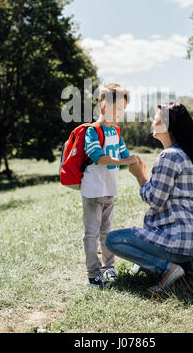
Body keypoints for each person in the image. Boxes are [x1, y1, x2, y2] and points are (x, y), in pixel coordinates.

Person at [105, 101, 193, 292]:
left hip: (178, 240)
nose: (152, 122)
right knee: (140, 241)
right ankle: (192, 264)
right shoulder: (184, 155)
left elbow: (156, 200)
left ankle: (169, 269)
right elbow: (164, 193)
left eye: (156, 119)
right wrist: (146, 176)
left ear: (167, 125)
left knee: (113, 240)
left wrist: (139, 175)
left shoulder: (169, 156)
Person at [81, 83, 140, 288]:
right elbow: (97, 156)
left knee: (107, 232)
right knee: (91, 233)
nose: (122, 114)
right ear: (104, 106)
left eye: (124, 110)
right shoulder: (93, 130)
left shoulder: (116, 131)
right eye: (118, 109)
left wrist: (134, 161)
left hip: (109, 190)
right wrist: (124, 162)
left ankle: (109, 268)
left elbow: (124, 154)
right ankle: (93, 274)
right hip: (93, 190)